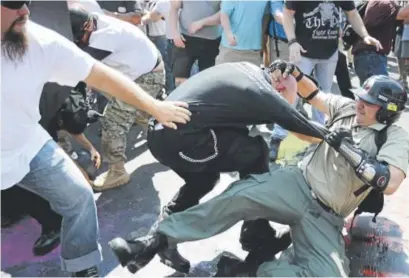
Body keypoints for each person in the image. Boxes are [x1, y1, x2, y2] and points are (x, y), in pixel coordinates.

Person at [109, 61, 409, 277]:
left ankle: (252, 270)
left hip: (326, 215)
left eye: (369, 103)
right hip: (296, 185)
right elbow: (314, 96)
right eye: (361, 98)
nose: (360, 104)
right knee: (239, 196)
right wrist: (294, 73)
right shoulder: (347, 108)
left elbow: (390, 181)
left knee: (328, 274)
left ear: (387, 111)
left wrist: (352, 152)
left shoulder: (395, 137)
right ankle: (152, 242)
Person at [1, 1, 190, 276]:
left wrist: (155, 107)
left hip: (28, 144)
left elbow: (98, 74)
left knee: (79, 197)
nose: (25, 11)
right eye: (15, 4)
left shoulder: (39, 41)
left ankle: (82, 266)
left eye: (27, 3)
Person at [68, 7, 167, 191]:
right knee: (143, 115)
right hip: (135, 70)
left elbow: (79, 68)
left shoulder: (104, 37)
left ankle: (117, 172)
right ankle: (175, 139)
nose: (77, 42)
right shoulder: (89, 17)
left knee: (113, 122)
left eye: (78, 38)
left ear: (88, 26)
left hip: (145, 77)